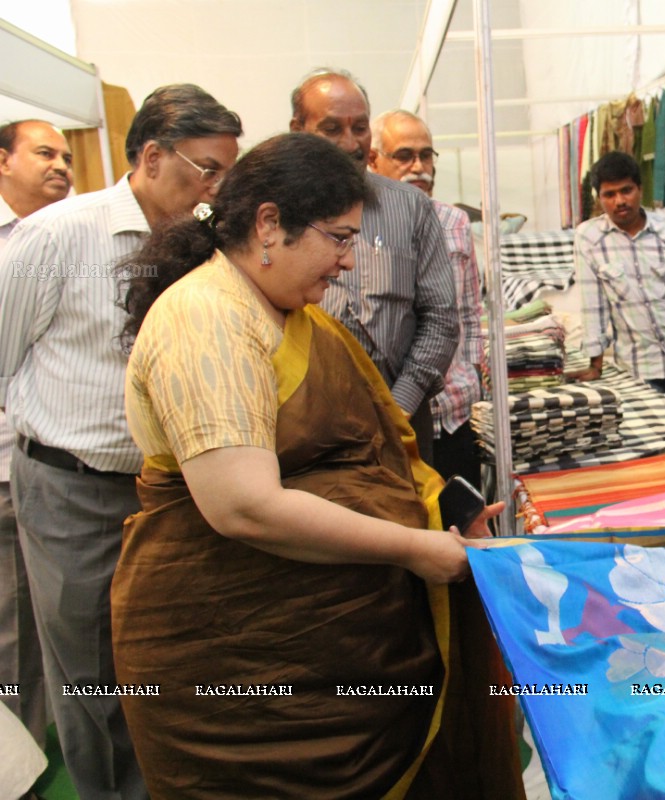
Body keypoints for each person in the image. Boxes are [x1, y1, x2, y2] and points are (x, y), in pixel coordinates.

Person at [114, 132, 517, 798]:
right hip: (237, 665)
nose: (348, 261)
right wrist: (415, 549)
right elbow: (244, 505)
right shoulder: (207, 319)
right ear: (269, 223)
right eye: (337, 238)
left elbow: (369, 448)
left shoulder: (291, 315)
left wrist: (446, 509)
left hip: (335, 651)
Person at [0, 85, 241, 799]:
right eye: (206, 169)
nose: (215, 187)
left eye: (226, 170)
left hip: (169, 488)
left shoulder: (203, 244)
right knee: (91, 670)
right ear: (152, 156)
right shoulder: (58, 237)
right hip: (72, 489)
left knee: (168, 657)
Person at [290, 69, 458, 464]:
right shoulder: (277, 209)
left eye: (360, 128)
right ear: (298, 129)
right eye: (331, 128)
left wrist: (398, 407)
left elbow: (441, 318)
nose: (349, 143)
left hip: (402, 421)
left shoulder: (410, 207)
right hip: (307, 429)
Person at [0, 118, 72, 751]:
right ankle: (20, 765)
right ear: (3, 161)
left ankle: (43, 739)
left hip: (59, 469)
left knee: (56, 626)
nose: (61, 165)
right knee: (14, 625)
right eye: (45, 153)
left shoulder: (73, 237)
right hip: (10, 465)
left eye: (67, 155)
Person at [370, 109, 485, 488]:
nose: (418, 166)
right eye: (404, 156)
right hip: (392, 416)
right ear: (374, 160)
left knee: (462, 521)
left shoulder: (455, 222)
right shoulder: (362, 224)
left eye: (426, 155)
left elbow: (468, 313)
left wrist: (468, 377)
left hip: (452, 412)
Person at [573, 151, 665, 428]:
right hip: (640, 364)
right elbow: (593, 304)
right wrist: (596, 363)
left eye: (626, 190)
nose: (620, 201)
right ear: (599, 198)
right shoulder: (588, 238)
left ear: (640, 189)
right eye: (609, 194)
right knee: (653, 440)